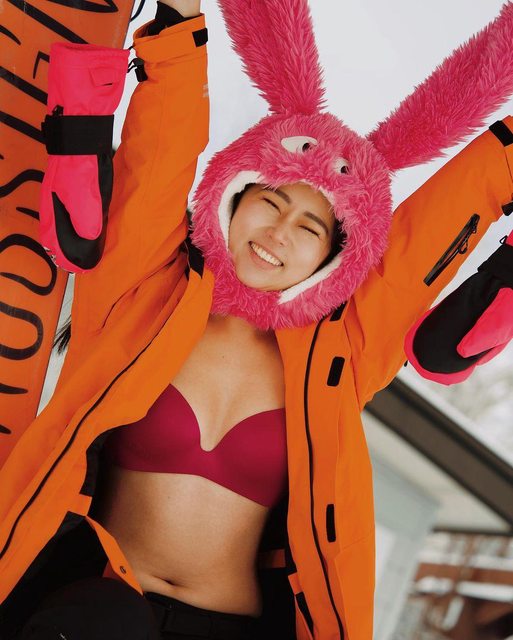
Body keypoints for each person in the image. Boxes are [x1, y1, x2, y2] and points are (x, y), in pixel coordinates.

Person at [3, 1, 513, 639]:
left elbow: (429, 236)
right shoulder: (145, 293)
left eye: (310, 228)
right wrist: (178, 25)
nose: (279, 232)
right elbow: (161, 153)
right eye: (271, 201)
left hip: (235, 625)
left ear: (336, 256)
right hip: (97, 605)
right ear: (233, 193)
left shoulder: (341, 353)